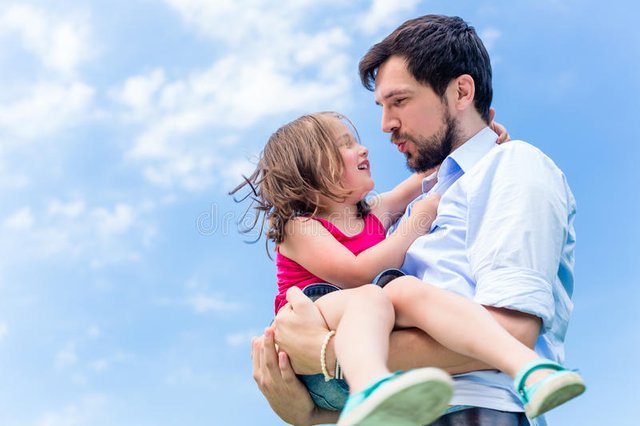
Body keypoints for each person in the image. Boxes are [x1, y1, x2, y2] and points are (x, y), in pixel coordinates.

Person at [252, 14, 584, 426]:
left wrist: (324, 352)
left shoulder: (511, 167)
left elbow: (514, 332)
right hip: (403, 410)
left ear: (461, 91)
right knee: (393, 291)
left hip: (470, 411)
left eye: (400, 101)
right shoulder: (414, 210)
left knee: (398, 291)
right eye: (382, 106)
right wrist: (310, 412)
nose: (384, 125)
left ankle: (530, 373)